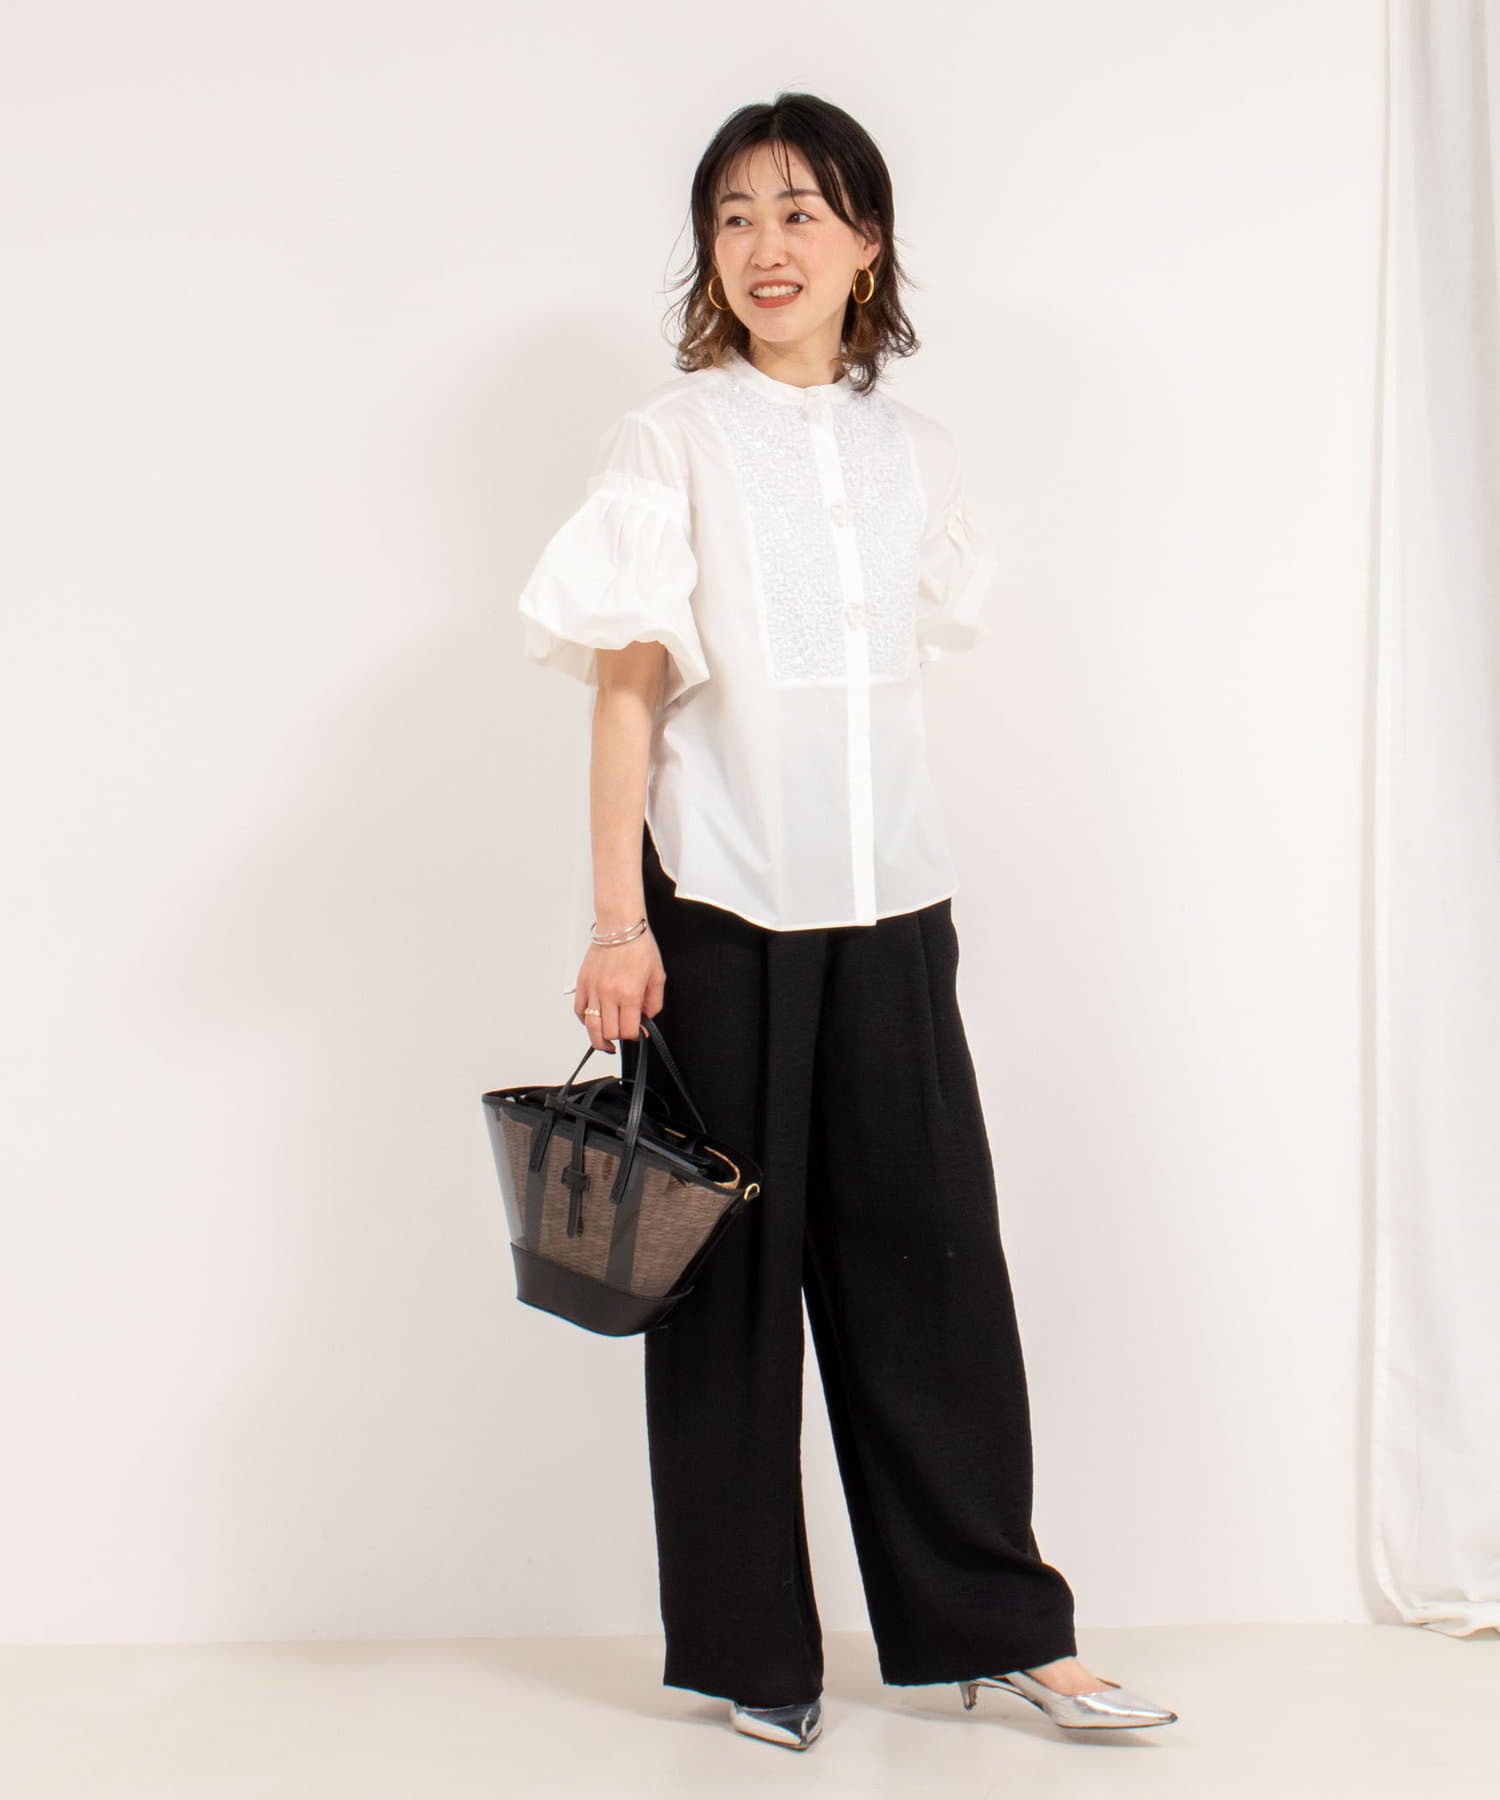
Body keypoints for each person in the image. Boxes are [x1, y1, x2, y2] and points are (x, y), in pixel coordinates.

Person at [515, 91, 1179, 1753]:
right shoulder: (667, 440)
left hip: (895, 911)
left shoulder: (915, 455)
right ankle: (756, 1652)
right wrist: (616, 923)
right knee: (728, 1291)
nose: (767, 246)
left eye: (801, 212)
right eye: (735, 216)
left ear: (866, 242)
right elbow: (625, 692)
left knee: (935, 1273)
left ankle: (994, 1631)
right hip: (719, 914)